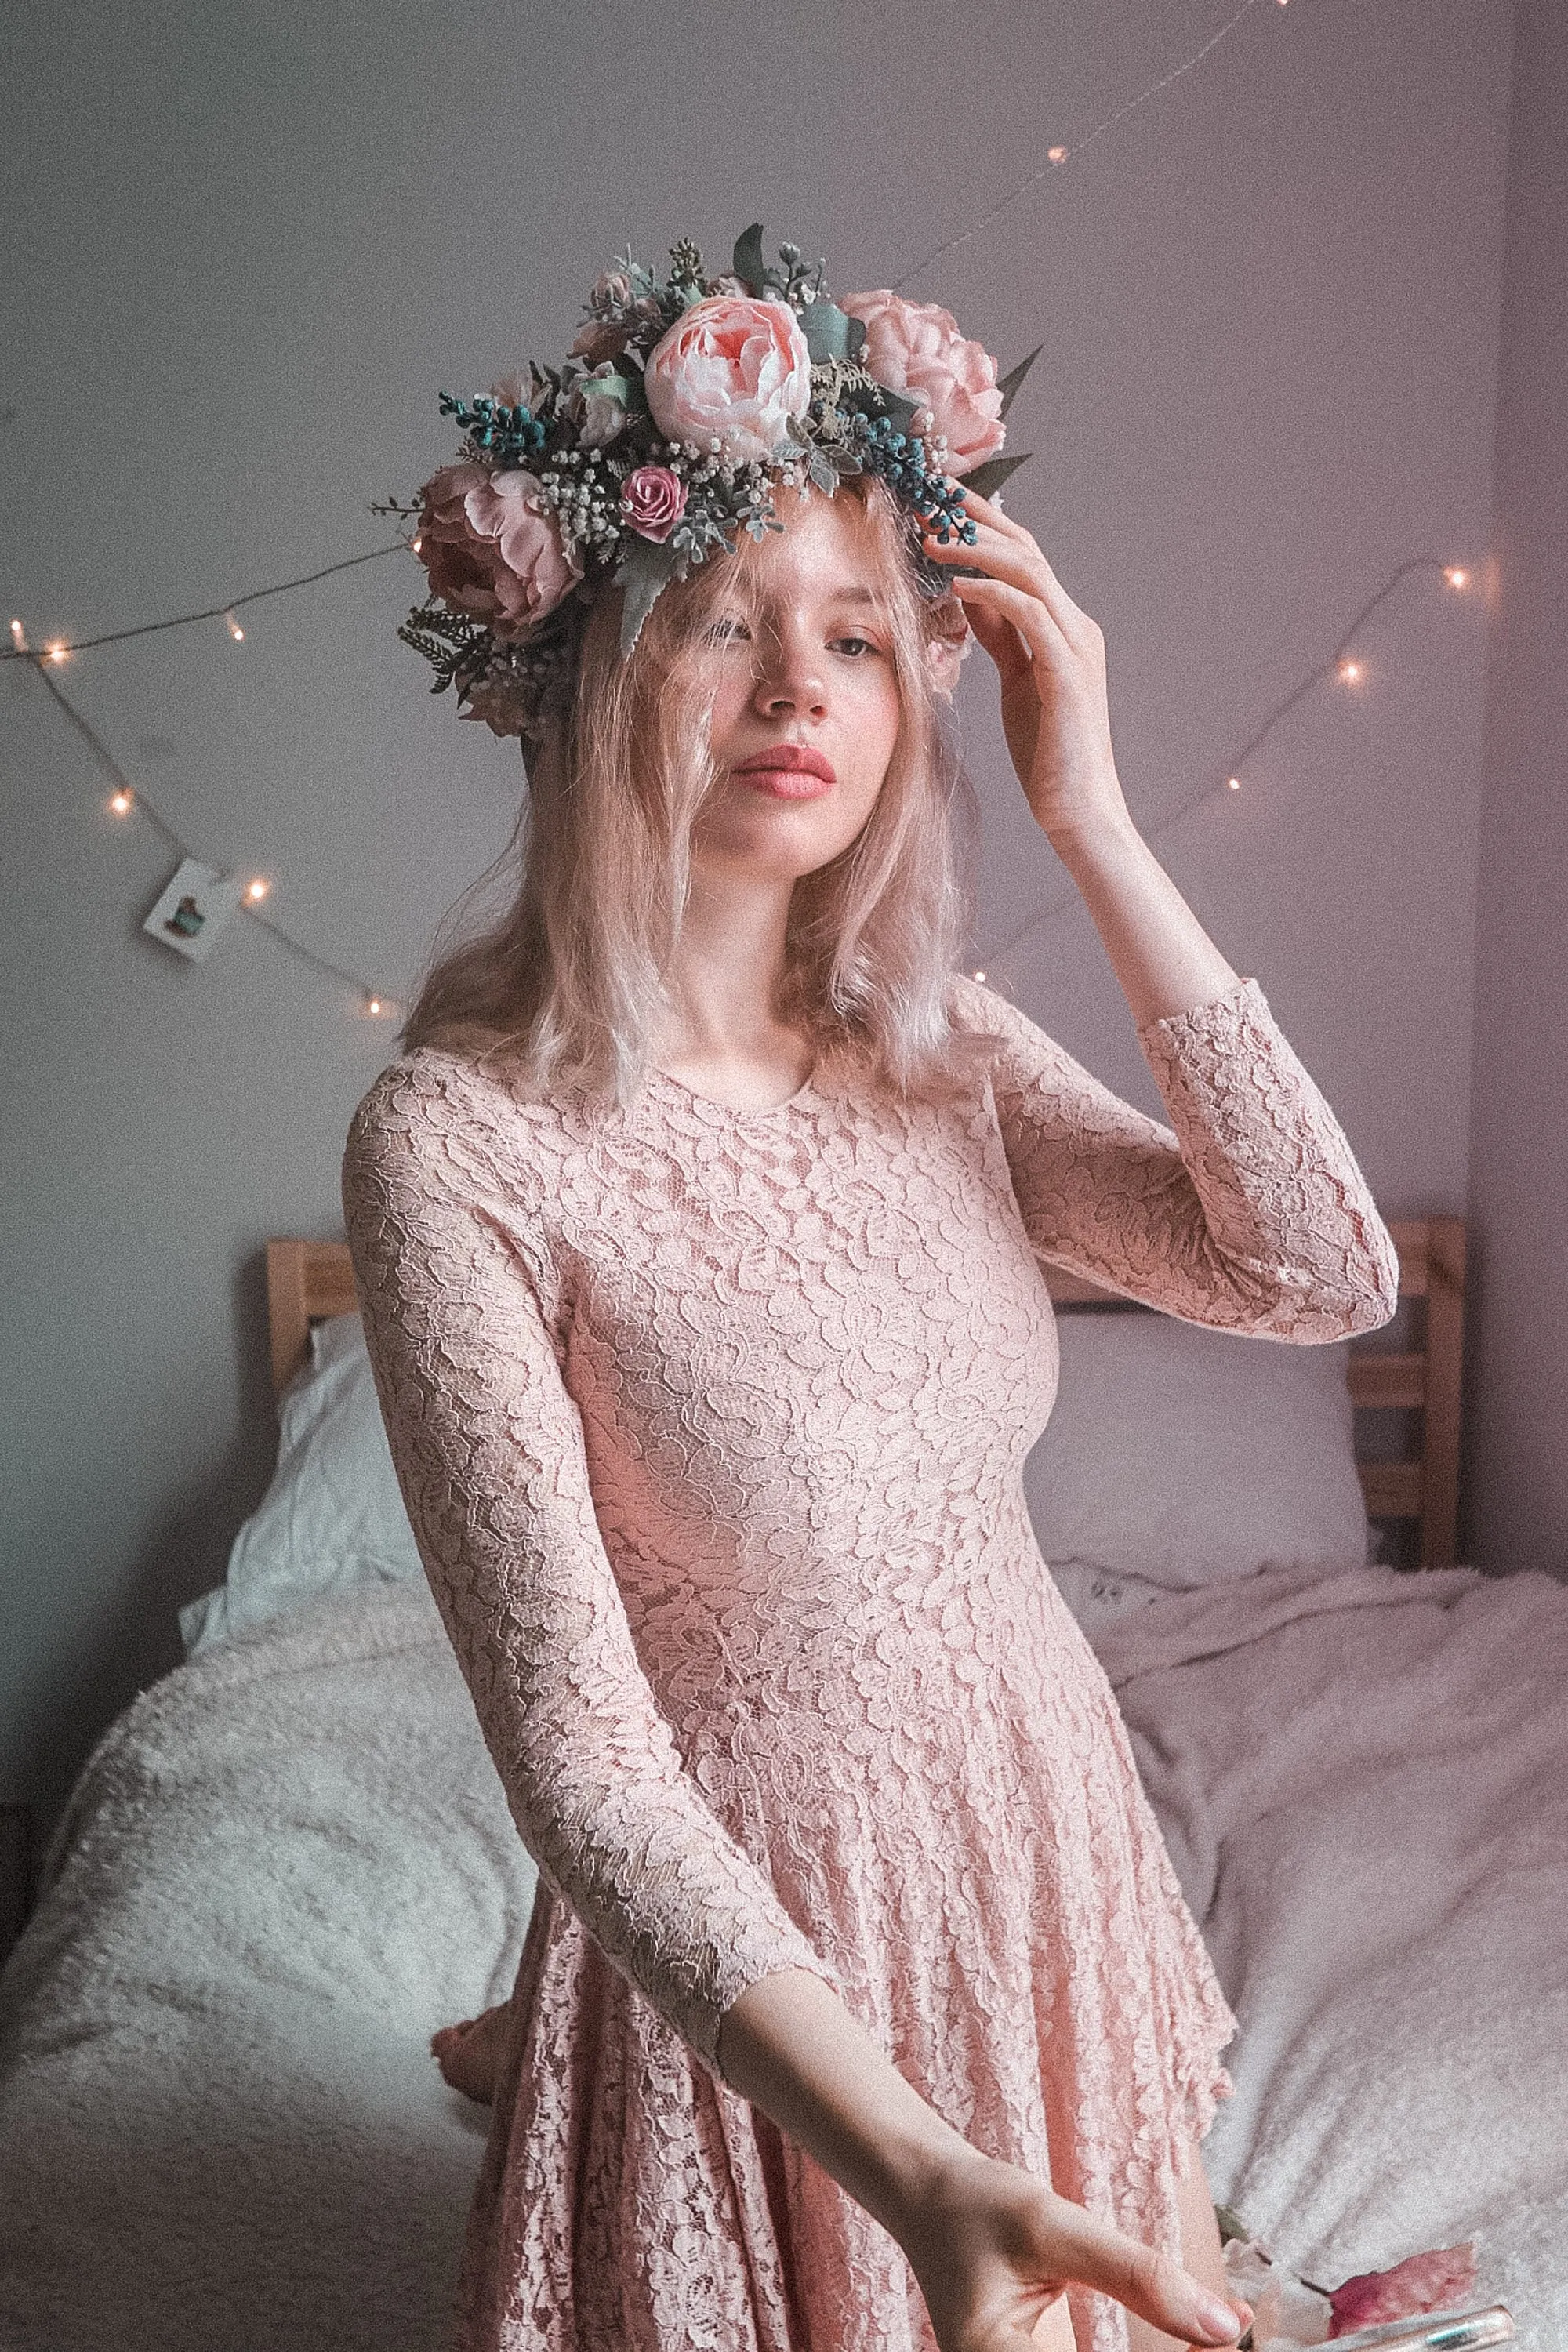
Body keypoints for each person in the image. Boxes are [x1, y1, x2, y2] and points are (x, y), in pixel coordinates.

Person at [343, 241, 1399, 2352]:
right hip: (761, 1971)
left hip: (1037, 1870)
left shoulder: (946, 1055)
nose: (799, 690)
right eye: (726, 622)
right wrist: (915, 2171)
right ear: (588, 669)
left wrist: (1093, 814)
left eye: (856, 636)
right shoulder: (459, 1143)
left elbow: (1320, 1274)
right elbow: (588, 1766)